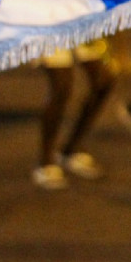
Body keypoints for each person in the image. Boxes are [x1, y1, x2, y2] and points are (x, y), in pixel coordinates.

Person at [33, 40, 116, 189]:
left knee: (103, 80)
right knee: (62, 86)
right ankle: (45, 162)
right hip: (48, 22)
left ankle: (70, 150)